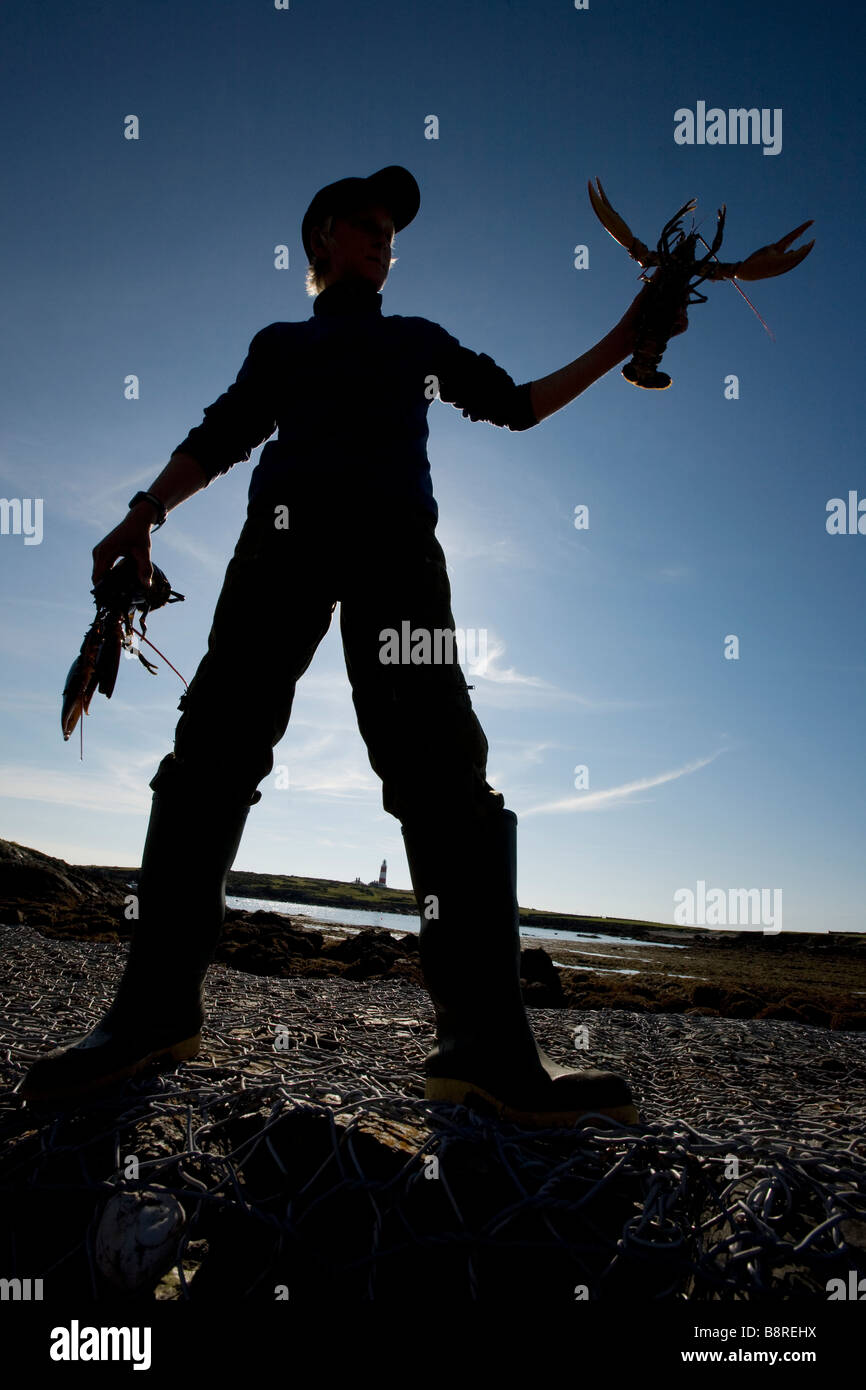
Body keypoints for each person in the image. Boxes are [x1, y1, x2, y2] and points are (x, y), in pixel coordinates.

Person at [22, 166, 686, 1127]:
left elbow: (519, 403)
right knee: (212, 747)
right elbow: (225, 432)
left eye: (392, 230)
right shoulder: (283, 344)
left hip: (397, 559)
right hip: (278, 550)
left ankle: (489, 1051)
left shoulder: (417, 342)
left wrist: (629, 335)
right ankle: (152, 1014)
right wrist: (143, 513)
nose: (385, 239)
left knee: (443, 774)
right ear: (322, 238)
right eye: (367, 224)